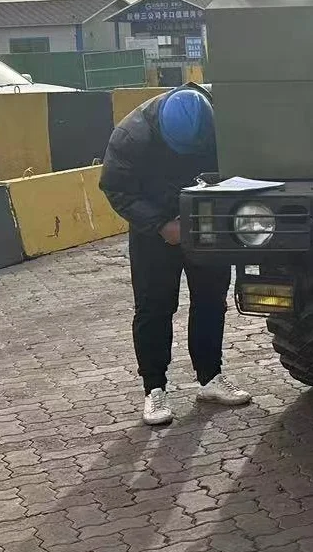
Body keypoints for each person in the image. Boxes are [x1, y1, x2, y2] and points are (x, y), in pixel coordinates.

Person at [99, 85, 251, 426]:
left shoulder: (221, 122)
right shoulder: (131, 136)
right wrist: (160, 225)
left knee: (211, 300)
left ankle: (210, 377)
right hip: (154, 229)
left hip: (206, 222)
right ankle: (154, 389)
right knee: (154, 307)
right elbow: (116, 187)